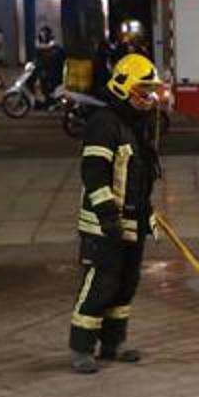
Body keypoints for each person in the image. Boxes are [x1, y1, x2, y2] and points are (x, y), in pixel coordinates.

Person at [68, 53, 163, 374]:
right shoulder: (104, 124)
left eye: (151, 91)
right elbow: (94, 173)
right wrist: (108, 215)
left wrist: (146, 213)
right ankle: (82, 347)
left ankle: (113, 344)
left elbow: (139, 176)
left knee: (125, 284)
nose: (148, 98)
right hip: (103, 224)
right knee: (102, 283)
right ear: (123, 88)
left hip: (131, 220)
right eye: (142, 90)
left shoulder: (136, 124)